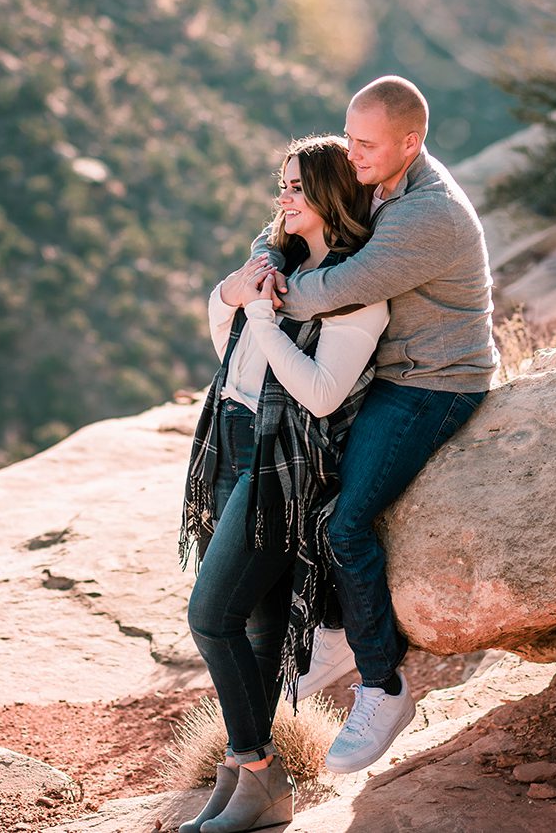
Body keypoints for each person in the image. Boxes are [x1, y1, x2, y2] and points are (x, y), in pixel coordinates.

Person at [253, 76, 498, 774]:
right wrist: (270, 258)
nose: (351, 155)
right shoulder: (376, 177)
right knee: (309, 480)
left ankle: (383, 685)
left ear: (409, 143)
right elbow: (297, 213)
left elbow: (339, 288)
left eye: (365, 144)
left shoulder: (429, 213)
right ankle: (331, 630)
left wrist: (268, 297)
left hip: (432, 381)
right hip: (383, 370)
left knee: (348, 522)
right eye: (350, 136)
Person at [178, 135, 389, 833]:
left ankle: (260, 767)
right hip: (237, 437)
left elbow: (322, 394)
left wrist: (263, 314)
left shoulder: (355, 292)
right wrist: (231, 294)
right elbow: (230, 350)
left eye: (296, 186)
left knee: (211, 616)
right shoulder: (279, 260)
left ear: (328, 194)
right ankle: (243, 779)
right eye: (282, 184)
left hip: (286, 465)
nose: (283, 197)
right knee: (260, 623)